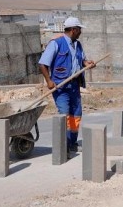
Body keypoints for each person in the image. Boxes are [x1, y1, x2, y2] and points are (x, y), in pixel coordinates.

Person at [39, 17, 95, 158]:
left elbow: (80, 60)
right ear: (73, 30)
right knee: (64, 115)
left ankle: (72, 144)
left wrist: (87, 63)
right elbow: (42, 64)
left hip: (74, 86)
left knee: (76, 116)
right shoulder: (56, 44)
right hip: (61, 87)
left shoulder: (78, 45)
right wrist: (49, 81)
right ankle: (63, 147)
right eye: (79, 29)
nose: (80, 32)